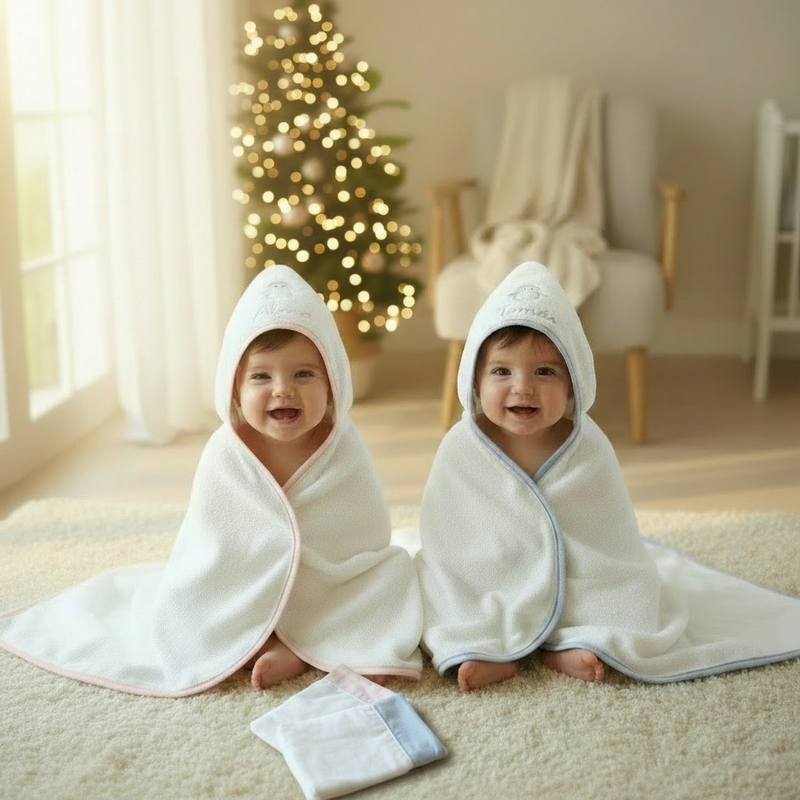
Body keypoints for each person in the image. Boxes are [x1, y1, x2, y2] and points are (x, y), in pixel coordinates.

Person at [0, 265, 423, 696]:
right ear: (234, 387)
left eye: (304, 374)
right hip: (243, 580)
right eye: (261, 376)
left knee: (391, 578)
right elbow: (215, 543)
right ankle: (273, 640)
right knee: (197, 608)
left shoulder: (342, 449)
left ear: (332, 383)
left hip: (328, 586)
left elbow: (361, 537)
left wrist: (350, 577)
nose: (283, 390)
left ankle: (303, 646)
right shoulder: (227, 452)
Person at [415, 260, 800, 694]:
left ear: (574, 381)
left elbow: (607, 536)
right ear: (474, 380)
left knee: (625, 593)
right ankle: (483, 646)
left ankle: (577, 640)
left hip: (580, 571)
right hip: (490, 569)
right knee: (440, 588)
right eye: (502, 371)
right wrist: (466, 566)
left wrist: (604, 570)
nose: (522, 388)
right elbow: (449, 535)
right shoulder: (463, 447)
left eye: (544, 372)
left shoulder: (587, 447)